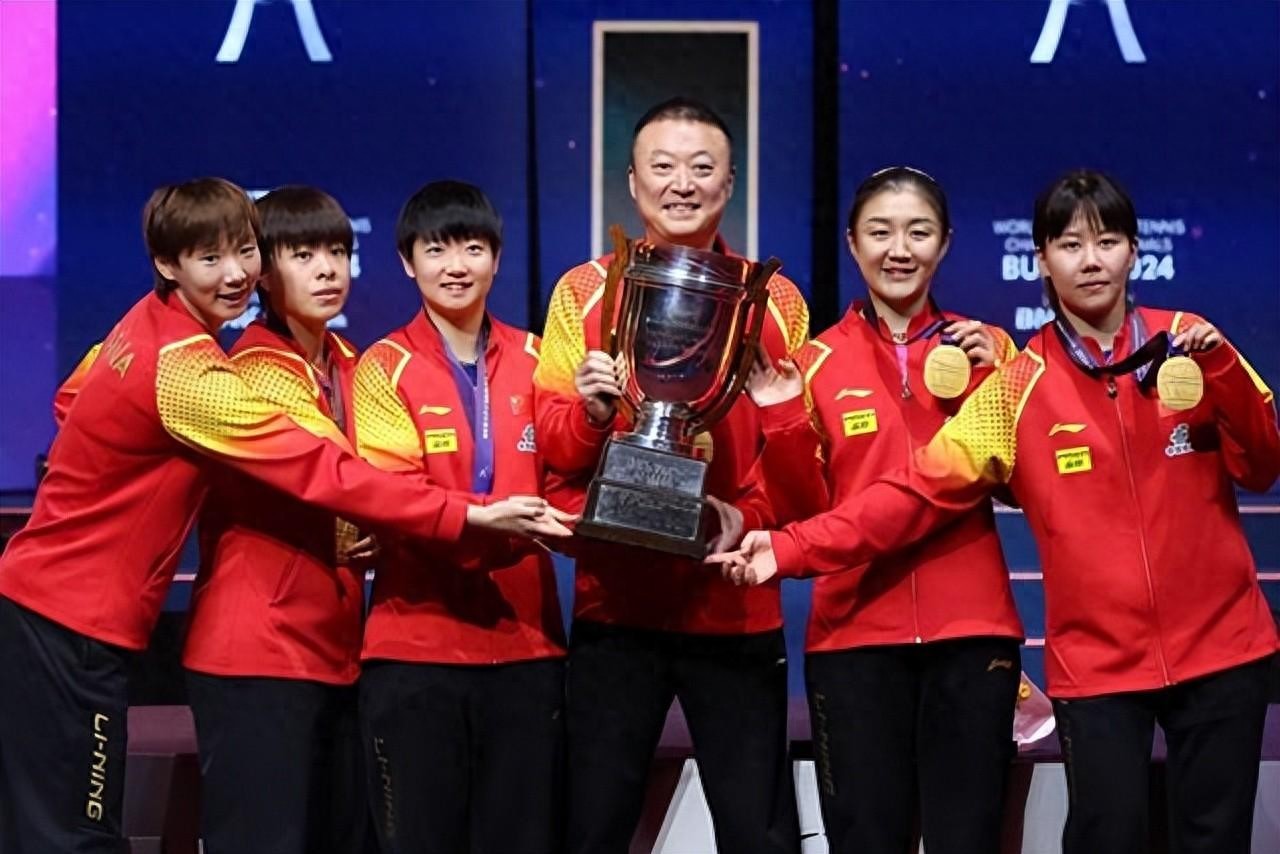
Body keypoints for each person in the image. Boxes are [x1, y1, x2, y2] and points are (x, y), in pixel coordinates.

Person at [712, 169, 1280, 854]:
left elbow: (1262, 464)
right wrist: (787, 547)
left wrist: (1221, 371)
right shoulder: (1016, 386)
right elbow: (915, 494)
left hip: (1225, 649)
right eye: (1070, 245)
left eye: (1107, 242)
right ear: (1041, 259)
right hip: (1098, 668)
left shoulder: (1192, 343)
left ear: (1136, 250)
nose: (1091, 261)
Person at [0, 177, 568, 853]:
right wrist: (468, 517)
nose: (235, 273)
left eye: (245, 251)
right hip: (97, 622)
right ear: (167, 264)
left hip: (271, 640)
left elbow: (73, 400)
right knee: (76, 838)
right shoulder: (195, 372)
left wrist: (117, 462)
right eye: (212, 258)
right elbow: (322, 471)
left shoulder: (179, 331)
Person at [535, 96, 809, 853]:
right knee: (593, 829)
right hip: (617, 606)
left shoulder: (775, 300)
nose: (681, 184)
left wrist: (745, 519)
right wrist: (593, 415)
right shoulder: (582, 291)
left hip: (734, 604)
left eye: (701, 167)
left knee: (760, 835)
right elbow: (553, 449)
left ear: (729, 184)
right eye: (662, 166)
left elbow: (796, 463)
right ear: (632, 182)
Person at [744, 166, 1023, 854]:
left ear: (945, 243)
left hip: (971, 634)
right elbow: (801, 510)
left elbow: (1026, 488)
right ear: (852, 242)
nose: (899, 250)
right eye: (880, 232)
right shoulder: (812, 364)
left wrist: (992, 382)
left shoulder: (992, 349)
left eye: (918, 232)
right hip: (854, 640)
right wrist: (781, 418)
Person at [354, 181, 567, 854]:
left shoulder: (539, 359)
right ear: (406, 261)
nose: (455, 266)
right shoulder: (382, 367)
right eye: (436, 249)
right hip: (415, 649)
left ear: (497, 259)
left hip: (528, 649)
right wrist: (489, 520)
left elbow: (569, 471)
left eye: (473, 248)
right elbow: (393, 498)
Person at [181, 186, 376, 854]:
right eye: (303, 254)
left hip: (336, 650)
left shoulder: (350, 364)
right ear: (262, 272)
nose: (328, 270)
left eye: (338, 252)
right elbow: (341, 484)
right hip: (256, 652)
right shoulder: (253, 370)